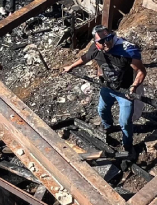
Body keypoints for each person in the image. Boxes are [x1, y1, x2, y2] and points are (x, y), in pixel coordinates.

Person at [62, 26, 147, 154]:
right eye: (101, 41)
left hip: (125, 92)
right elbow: (85, 58)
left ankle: (128, 146)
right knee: (102, 109)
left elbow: (141, 71)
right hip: (107, 87)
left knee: (124, 122)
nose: (106, 43)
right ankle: (108, 127)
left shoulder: (126, 51)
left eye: (108, 39)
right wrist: (71, 67)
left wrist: (133, 88)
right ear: (96, 43)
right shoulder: (95, 50)